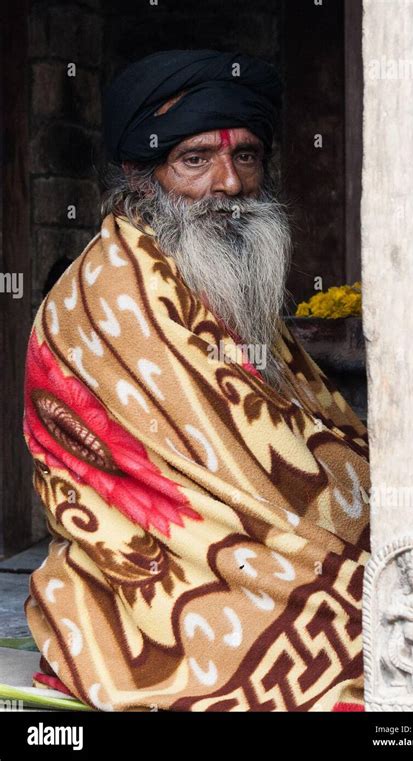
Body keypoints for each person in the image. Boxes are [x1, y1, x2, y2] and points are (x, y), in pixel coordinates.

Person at [22, 49, 371, 712]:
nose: (229, 183)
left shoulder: (225, 286)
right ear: (139, 174)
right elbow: (235, 476)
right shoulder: (110, 289)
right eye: (195, 159)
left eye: (245, 155)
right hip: (166, 573)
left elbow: (302, 420)